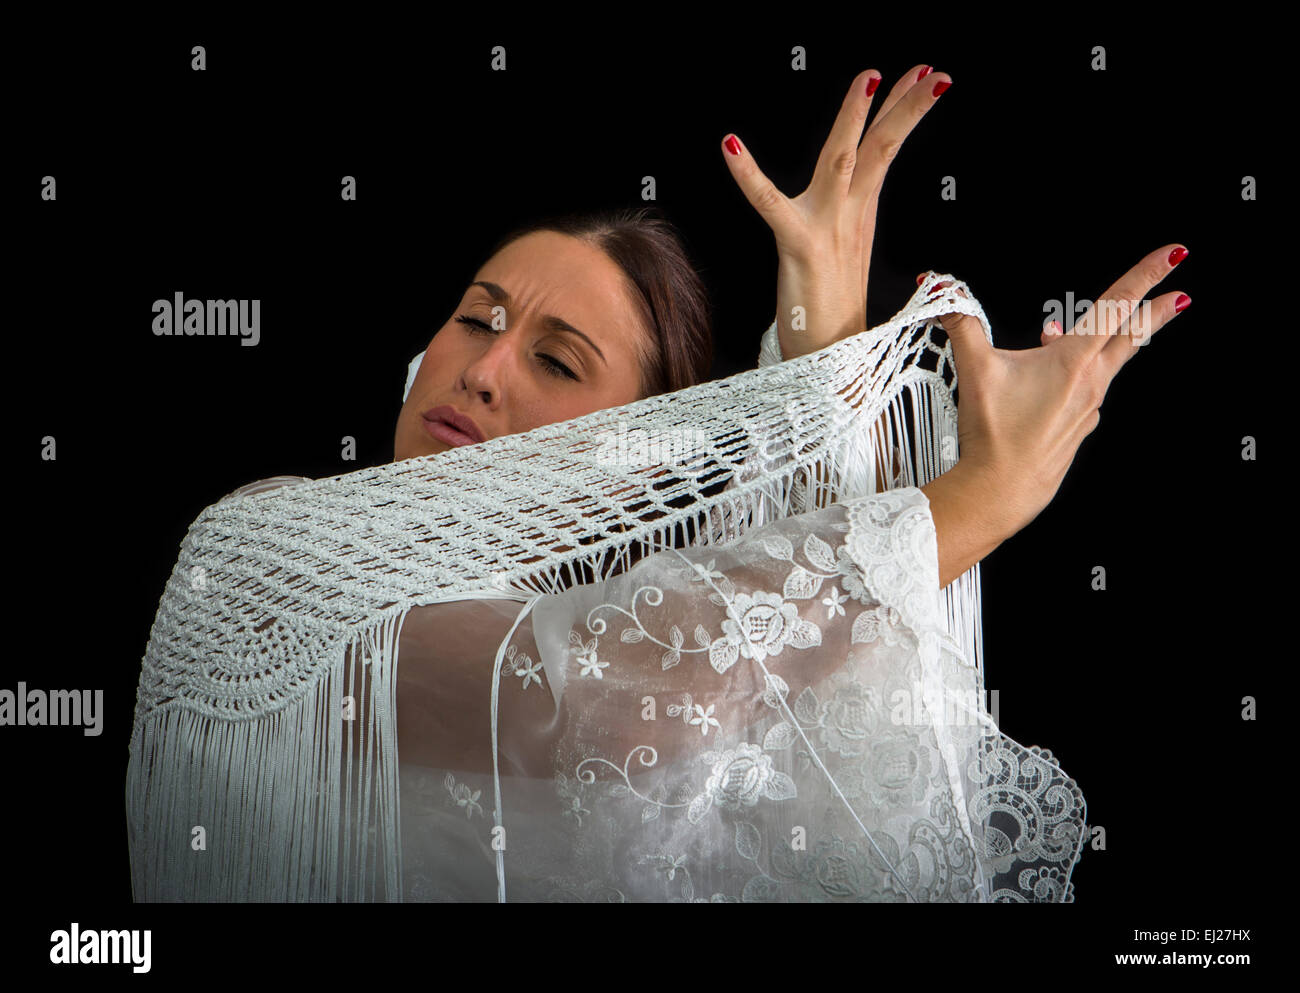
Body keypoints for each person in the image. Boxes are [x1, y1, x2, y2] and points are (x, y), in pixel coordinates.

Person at [139, 64, 1190, 902]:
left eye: (556, 362)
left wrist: (821, 354)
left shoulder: (632, 672)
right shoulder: (254, 546)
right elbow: (588, 698)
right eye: (477, 315)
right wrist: (978, 502)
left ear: (628, 472)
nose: (484, 371)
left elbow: (830, 787)